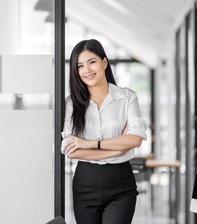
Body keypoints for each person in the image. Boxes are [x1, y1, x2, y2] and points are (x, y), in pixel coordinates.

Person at [61, 39, 147, 224]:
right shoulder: (71, 104)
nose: (87, 70)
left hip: (121, 185)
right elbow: (71, 150)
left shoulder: (127, 98)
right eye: (80, 66)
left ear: (104, 62)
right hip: (85, 185)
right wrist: (117, 150)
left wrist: (90, 144)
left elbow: (135, 139)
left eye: (92, 62)